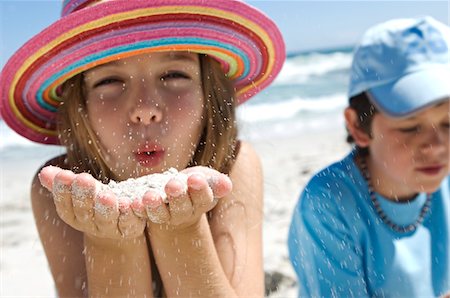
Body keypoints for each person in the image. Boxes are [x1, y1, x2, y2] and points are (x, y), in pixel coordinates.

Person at [0, 0, 285, 296]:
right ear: (79, 106)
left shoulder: (232, 166)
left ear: (208, 95)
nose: (145, 109)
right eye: (110, 80)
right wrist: (110, 242)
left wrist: (182, 230)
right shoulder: (63, 190)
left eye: (173, 75)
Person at [288, 16, 449, 297]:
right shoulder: (328, 204)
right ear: (358, 126)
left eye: (449, 123)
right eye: (410, 126)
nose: (436, 146)